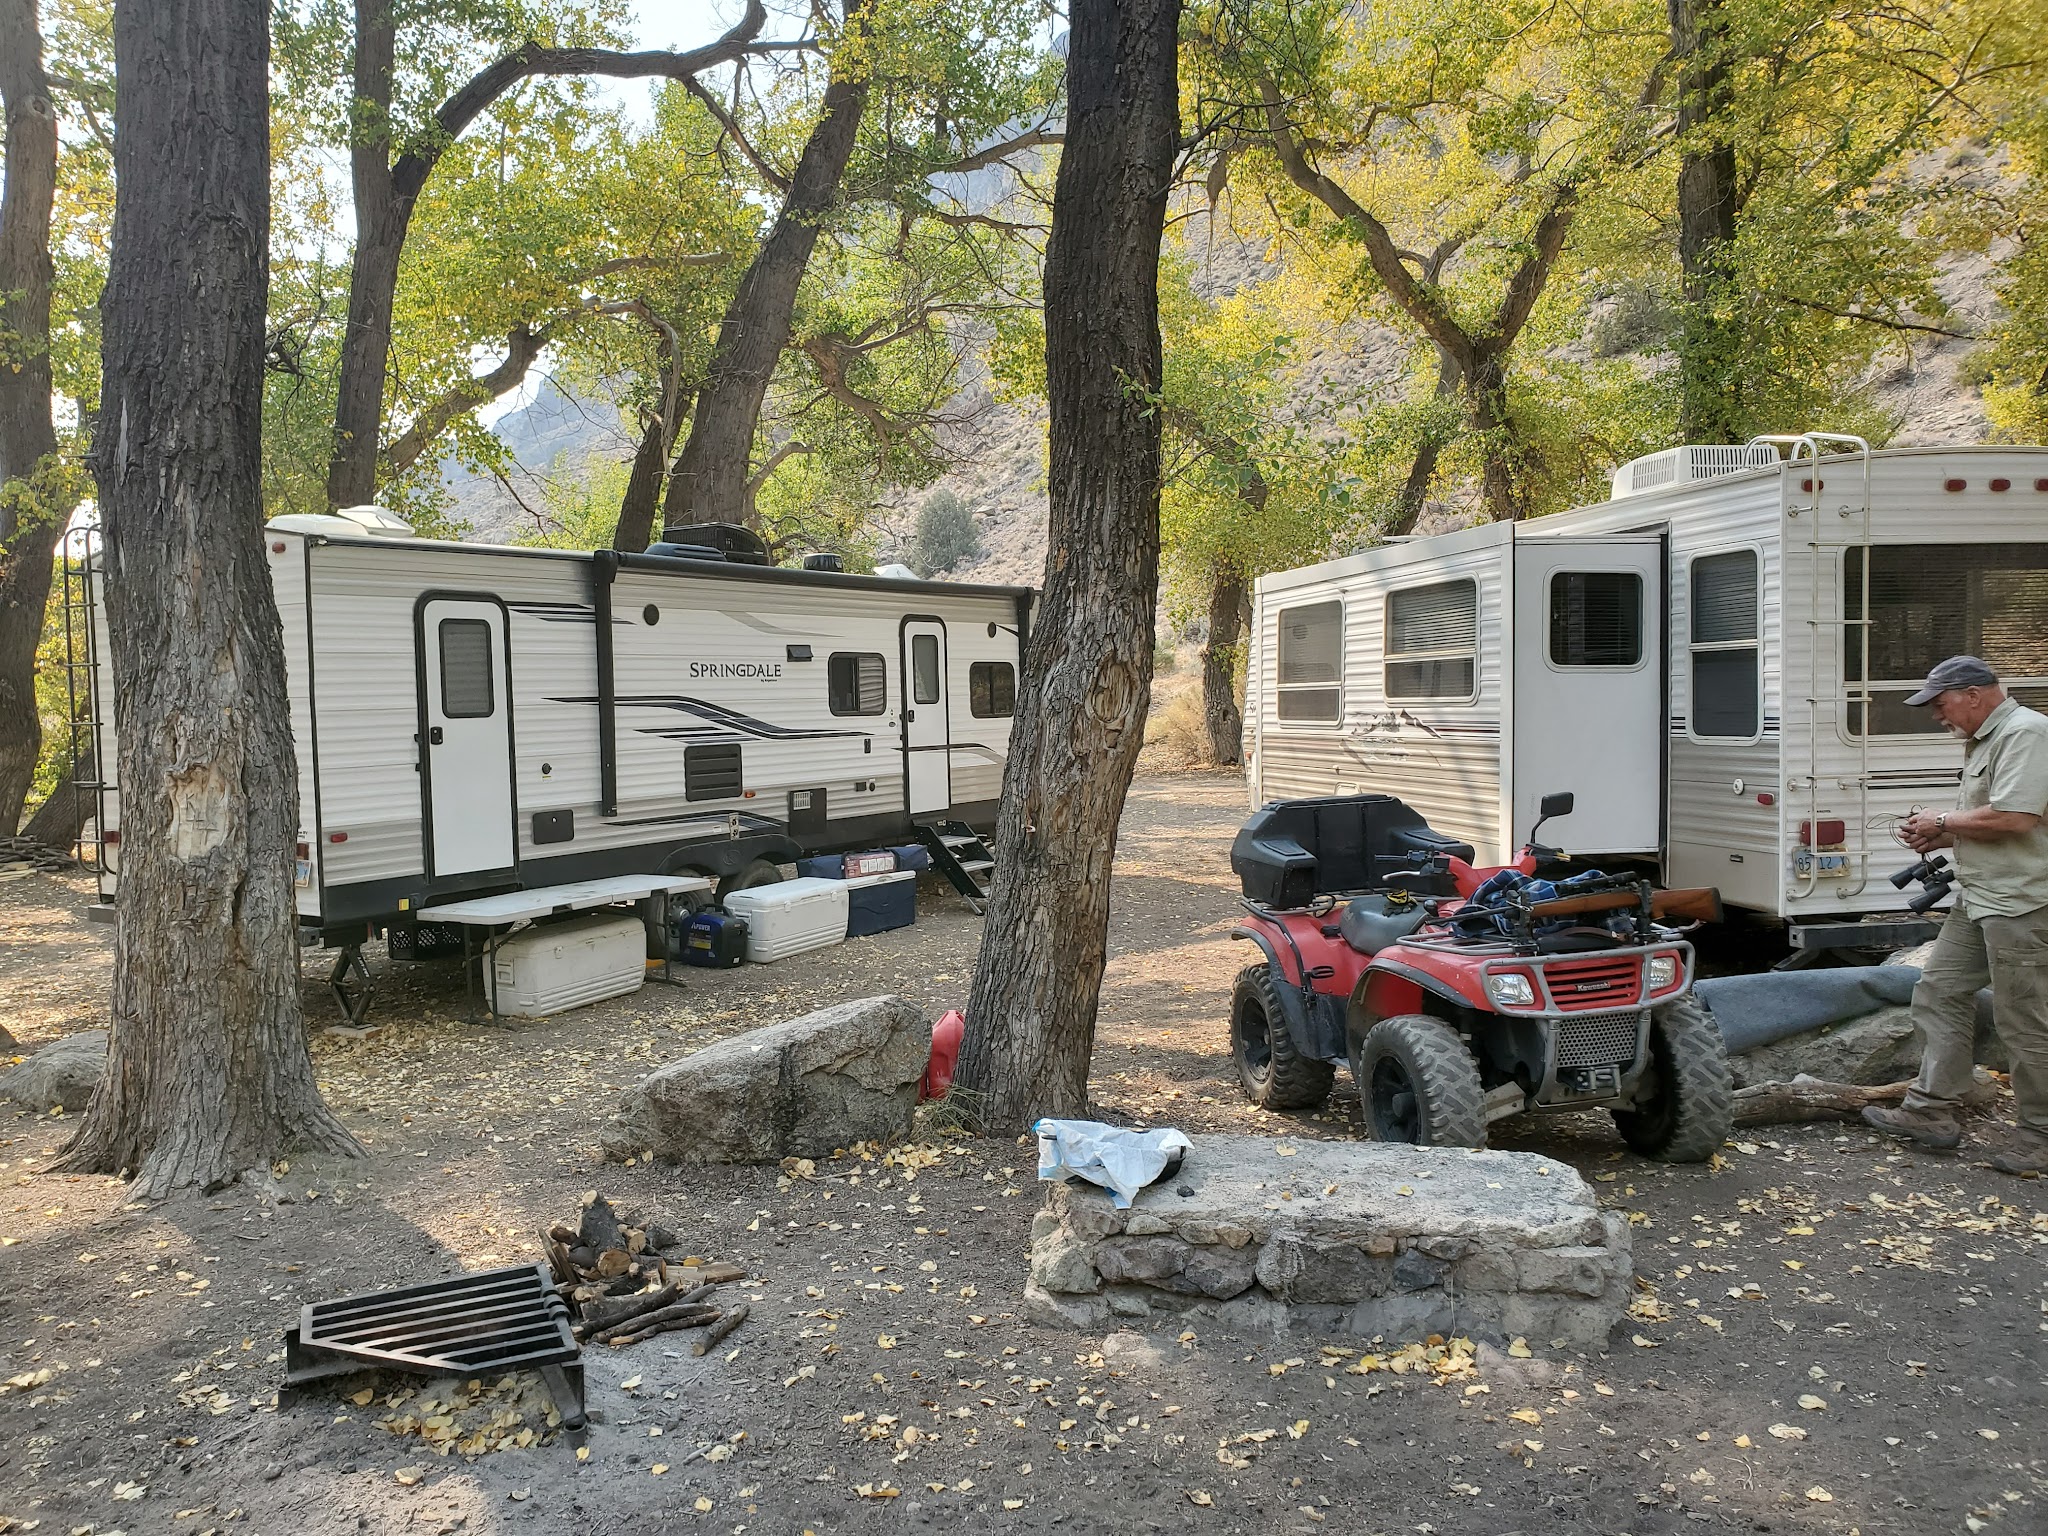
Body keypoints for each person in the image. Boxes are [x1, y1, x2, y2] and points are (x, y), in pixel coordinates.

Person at [1862, 657, 2048, 1175]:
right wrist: (1941, 836)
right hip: (1982, 894)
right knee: (1939, 990)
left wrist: (1942, 818)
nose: (1936, 715)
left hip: (2024, 901)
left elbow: (2016, 816)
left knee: (2024, 1020)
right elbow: (1998, 817)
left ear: (1972, 694)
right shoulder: (1988, 737)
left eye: (1940, 704)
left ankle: (2041, 1136)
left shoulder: (2027, 732)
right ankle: (1930, 1111)